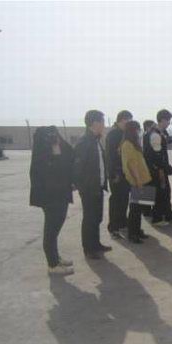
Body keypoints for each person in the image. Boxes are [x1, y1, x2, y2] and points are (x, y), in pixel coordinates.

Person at [30, 126, 75, 274]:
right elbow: (55, 170)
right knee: (51, 230)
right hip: (51, 198)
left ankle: (55, 258)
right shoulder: (43, 155)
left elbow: (70, 155)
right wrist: (55, 150)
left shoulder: (52, 151)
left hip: (59, 195)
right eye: (52, 136)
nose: (56, 139)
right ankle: (53, 265)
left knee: (54, 230)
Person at [74, 110, 111, 259]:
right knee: (90, 218)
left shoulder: (95, 140)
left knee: (96, 218)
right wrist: (84, 187)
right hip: (89, 188)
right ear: (94, 123)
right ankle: (89, 249)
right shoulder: (84, 142)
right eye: (102, 122)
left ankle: (96, 244)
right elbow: (78, 168)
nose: (104, 125)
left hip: (97, 186)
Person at [144, 109, 172, 226]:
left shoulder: (156, 132)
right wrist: (163, 170)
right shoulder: (155, 135)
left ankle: (168, 214)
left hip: (159, 168)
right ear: (163, 120)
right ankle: (157, 218)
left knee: (165, 192)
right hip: (157, 170)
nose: (169, 123)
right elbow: (157, 156)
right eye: (168, 120)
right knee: (160, 193)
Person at [121, 120, 152, 243]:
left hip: (142, 179)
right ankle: (133, 233)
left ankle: (138, 230)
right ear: (132, 131)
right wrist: (138, 182)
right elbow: (131, 164)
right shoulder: (127, 144)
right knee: (135, 209)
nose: (139, 132)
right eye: (137, 129)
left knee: (139, 208)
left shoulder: (133, 143)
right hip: (137, 181)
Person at [105, 110, 133, 240]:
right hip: (116, 173)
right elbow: (110, 156)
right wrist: (113, 173)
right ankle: (113, 227)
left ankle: (122, 222)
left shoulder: (123, 133)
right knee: (116, 200)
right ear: (121, 120)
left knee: (124, 199)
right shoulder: (113, 134)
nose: (129, 124)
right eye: (128, 121)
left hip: (124, 172)